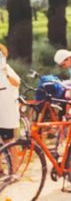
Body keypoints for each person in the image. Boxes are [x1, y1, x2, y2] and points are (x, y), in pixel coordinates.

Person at [0, 44, 21, 172]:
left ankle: (15, 170)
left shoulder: (6, 69)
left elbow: (17, 83)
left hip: (7, 109)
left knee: (9, 141)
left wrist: (5, 75)